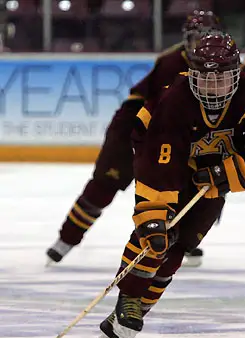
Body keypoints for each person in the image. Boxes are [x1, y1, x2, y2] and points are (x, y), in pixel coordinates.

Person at [99, 31, 245, 338]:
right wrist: (155, 213)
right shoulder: (175, 101)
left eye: (221, 79)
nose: (212, 88)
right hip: (159, 158)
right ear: (190, 74)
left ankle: (138, 309)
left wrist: (227, 172)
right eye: (205, 79)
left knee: (183, 243)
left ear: (238, 74)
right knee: (158, 235)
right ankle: (128, 297)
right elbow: (159, 163)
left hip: (211, 176)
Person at [46, 10, 224, 268]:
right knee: (104, 185)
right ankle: (66, 240)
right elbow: (163, 112)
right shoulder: (172, 64)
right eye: (196, 38)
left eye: (206, 38)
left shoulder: (222, 68)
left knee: (181, 189)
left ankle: (179, 241)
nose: (200, 44)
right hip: (132, 128)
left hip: (171, 135)